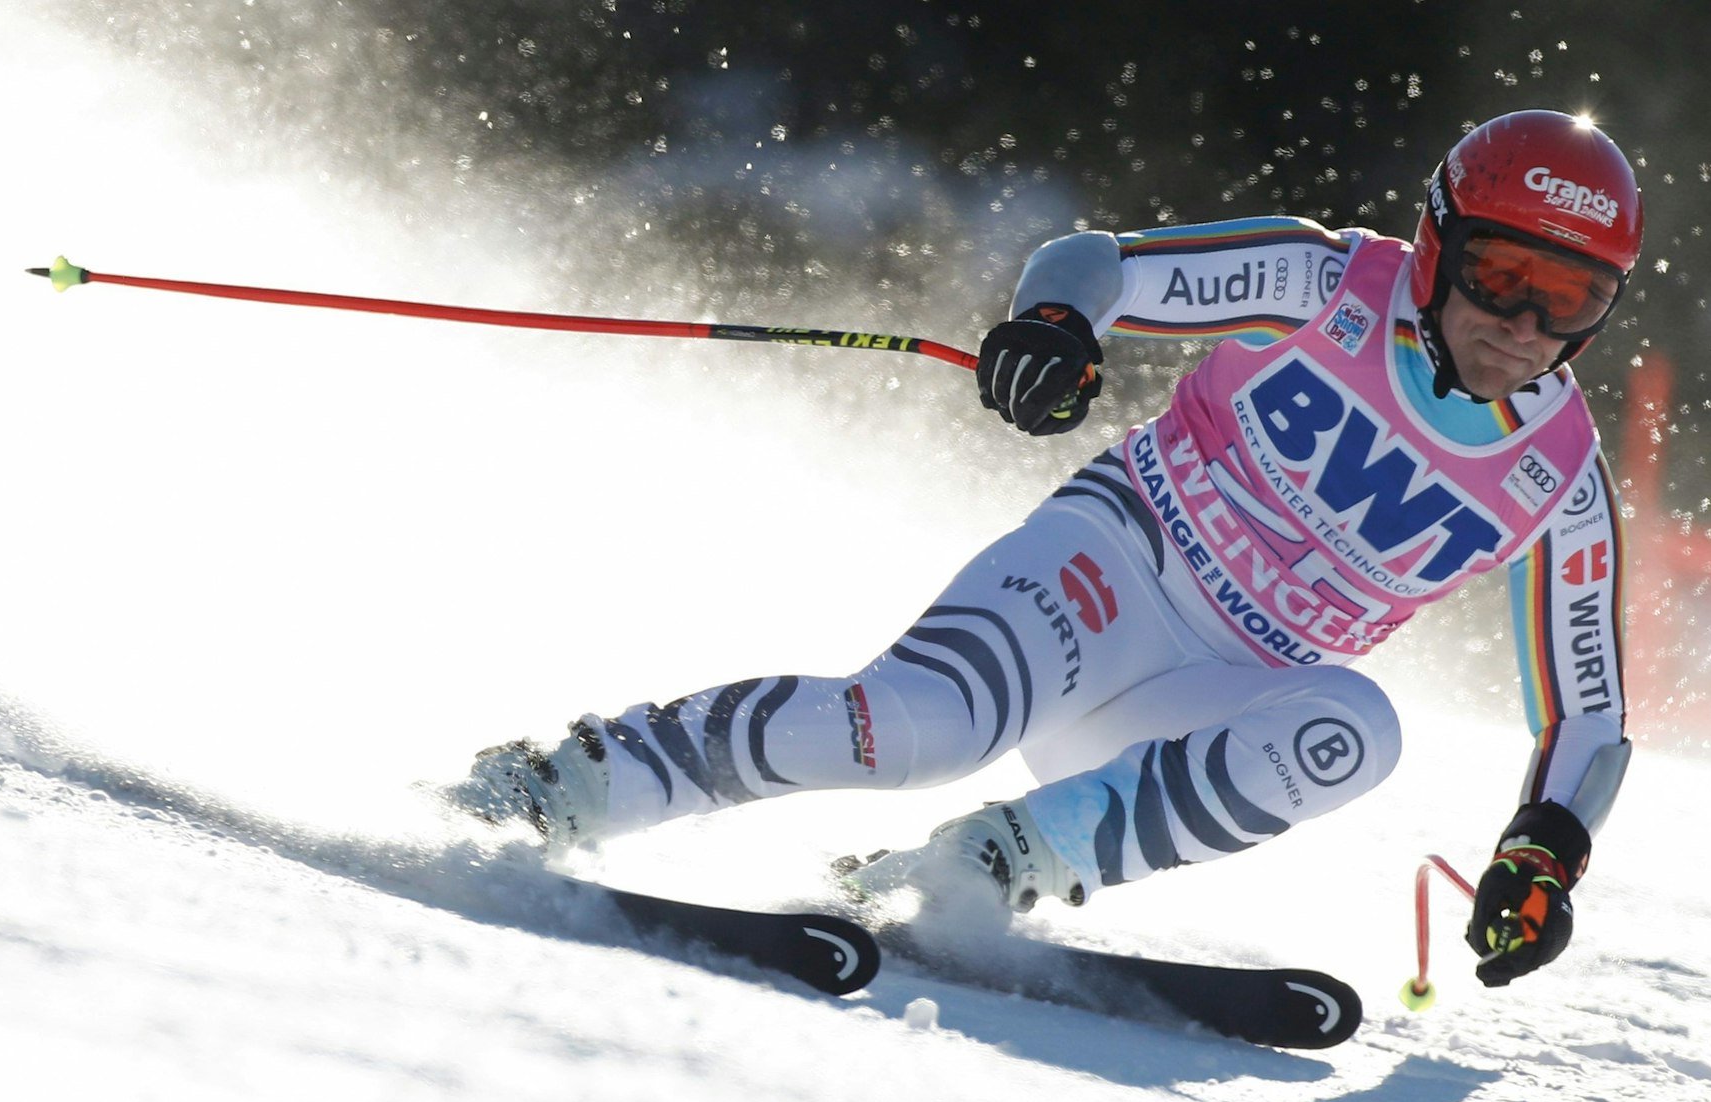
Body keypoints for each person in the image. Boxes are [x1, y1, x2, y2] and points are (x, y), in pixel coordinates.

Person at [451, 108, 1641, 987]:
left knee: (1355, 730)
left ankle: (985, 868)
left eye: (1571, 299)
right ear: (1438, 244)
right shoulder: (1326, 280)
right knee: (918, 728)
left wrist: (1547, 850)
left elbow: (1588, 715)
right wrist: (1057, 324)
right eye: (1502, 274)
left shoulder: (1561, 482)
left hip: (1211, 686)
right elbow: (1103, 263)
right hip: (1116, 567)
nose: (1524, 325)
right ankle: (572, 780)